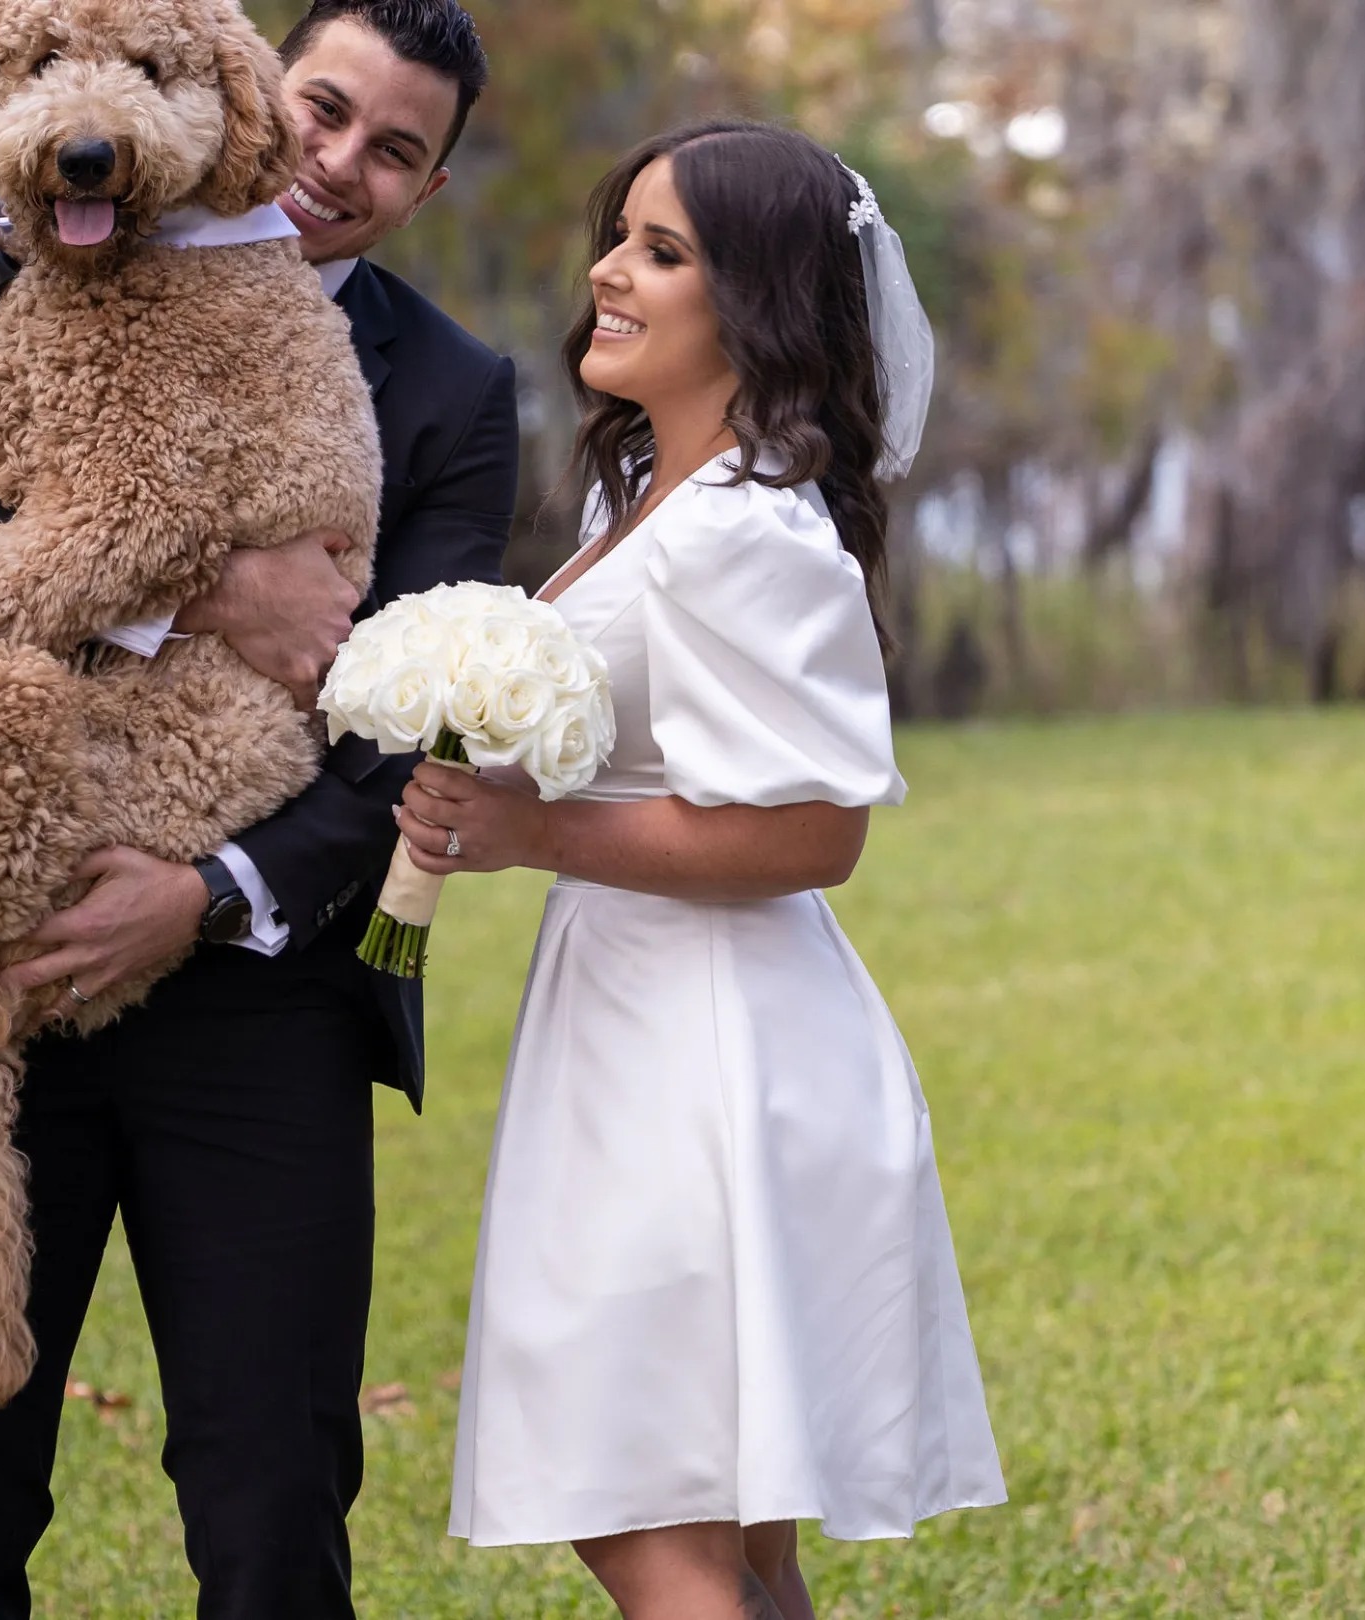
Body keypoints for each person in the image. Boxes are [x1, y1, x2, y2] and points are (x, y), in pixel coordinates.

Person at [0, 3, 517, 1615]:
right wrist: (210, 583)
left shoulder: (455, 390)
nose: (339, 164)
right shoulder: (4, 252)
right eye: (325, 109)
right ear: (252, 91)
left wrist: (211, 887)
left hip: (263, 998)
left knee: (271, 1505)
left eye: (396, 149)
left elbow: (409, 727)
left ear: (430, 188)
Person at [393, 121, 1007, 1619]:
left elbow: (817, 833)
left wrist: (535, 833)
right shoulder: (643, 506)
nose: (610, 269)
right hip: (635, 1018)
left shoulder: (747, 530)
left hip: (714, 1057)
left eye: (662, 251)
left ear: (762, 305)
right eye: (622, 235)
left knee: (634, 1504)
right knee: (730, 1532)